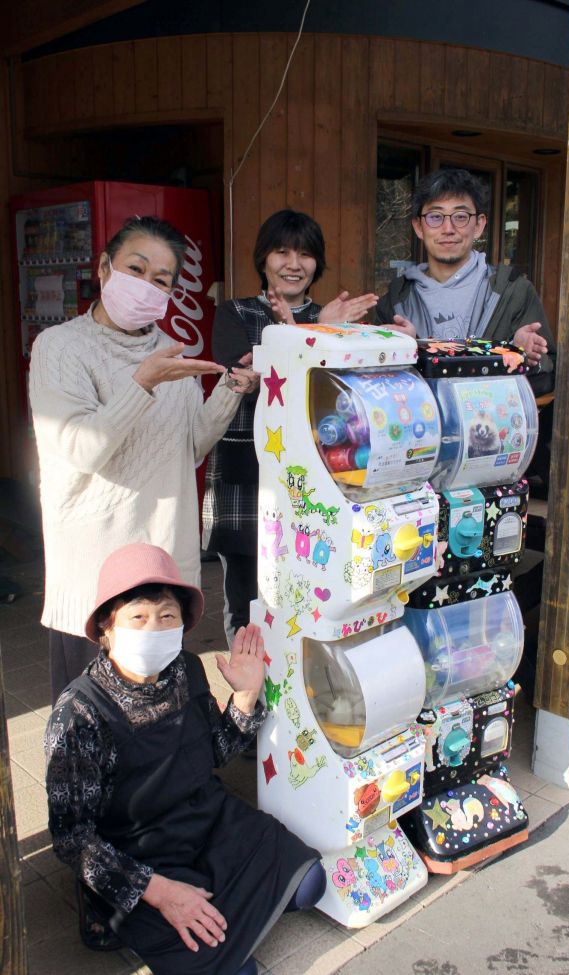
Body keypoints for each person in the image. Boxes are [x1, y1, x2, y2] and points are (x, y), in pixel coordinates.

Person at [44, 542, 325, 975]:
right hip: (140, 856)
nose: (155, 629)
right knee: (234, 968)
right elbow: (72, 840)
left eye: (167, 616)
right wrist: (158, 892)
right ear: (106, 627)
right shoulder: (78, 712)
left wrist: (246, 696)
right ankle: (148, 918)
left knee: (310, 884)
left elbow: (213, 751)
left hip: (208, 821)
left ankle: (216, 915)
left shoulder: (186, 669)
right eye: (138, 617)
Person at [29, 216, 257, 704]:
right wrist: (142, 383)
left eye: (161, 280)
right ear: (105, 269)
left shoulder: (169, 351)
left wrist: (233, 388)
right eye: (135, 269)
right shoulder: (59, 347)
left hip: (161, 568)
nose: (146, 286)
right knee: (90, 730)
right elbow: (81, 449)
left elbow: (190, 445)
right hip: (96, 574)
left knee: (156, 725)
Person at [202, 208, 377, 645]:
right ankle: (249, 701)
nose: (294, 264)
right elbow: (244, 372)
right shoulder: (235, 312)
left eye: (305, 254)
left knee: (308, 585)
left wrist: (320, 328)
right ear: (263, 259)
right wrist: (310, 333)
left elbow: (344, 390)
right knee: (244, 598)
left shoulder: (332, 317)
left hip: (314, 475)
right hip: (247, 475)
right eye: (282, 252)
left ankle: (300, 693)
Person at [375, 168, 556, 389]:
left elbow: (549, 374)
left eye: (460, 217)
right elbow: (375, 380)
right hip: (422, 423)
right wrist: (403, 349)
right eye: (435, 217)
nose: (448, 229)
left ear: (479, 225)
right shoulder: (396, 301)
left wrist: (520, 355)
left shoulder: (513, 291)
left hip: (491, 422)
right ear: (418, 227)